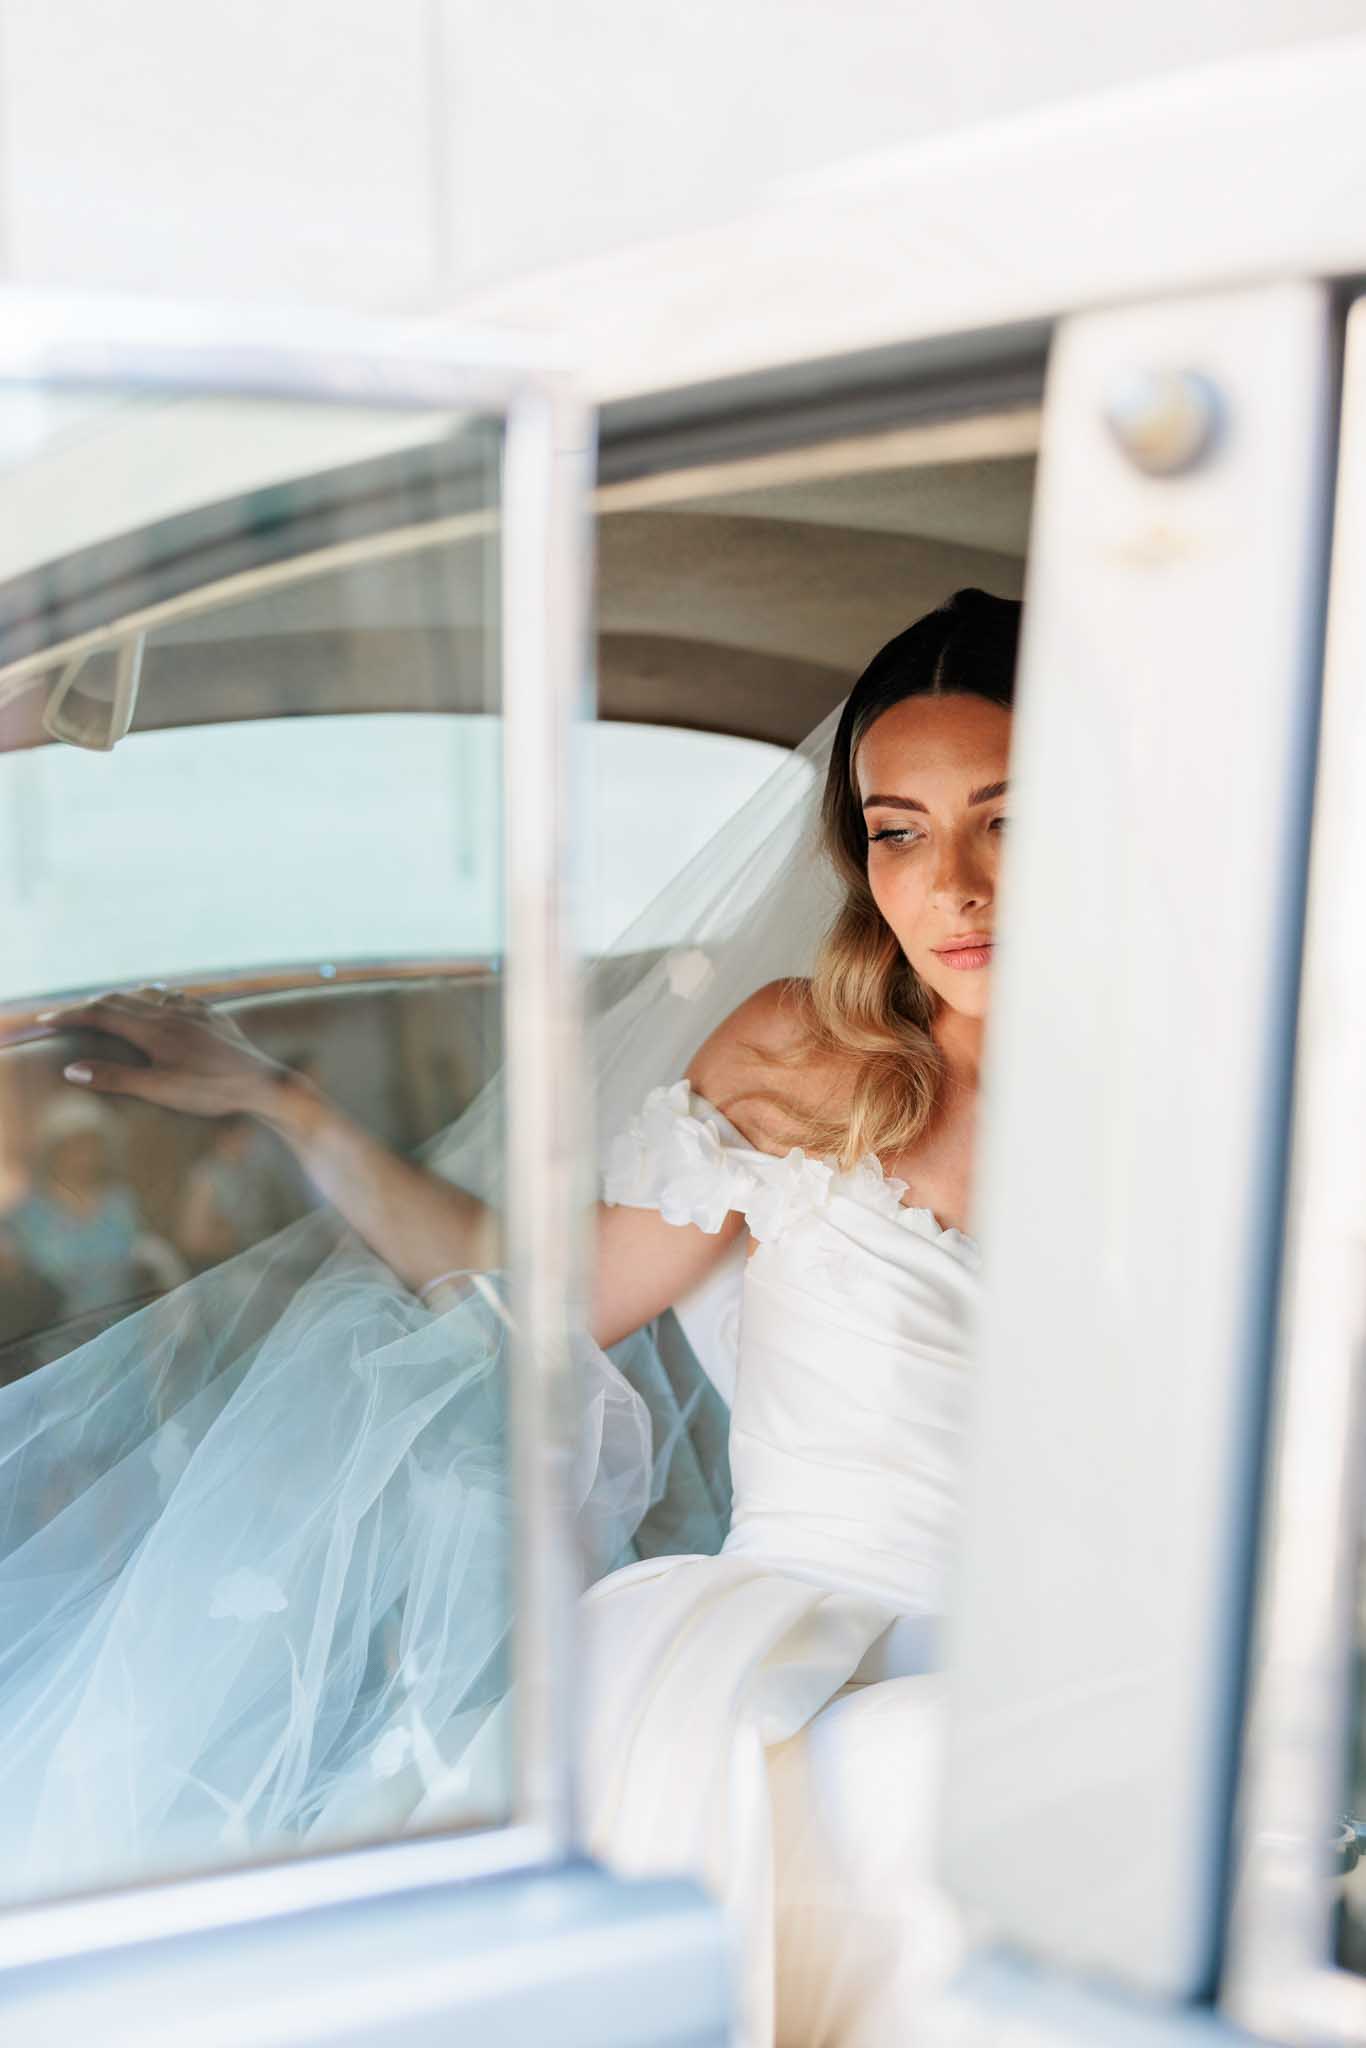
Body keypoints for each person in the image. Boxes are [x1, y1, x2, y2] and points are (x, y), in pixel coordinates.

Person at [4, 587, 1017, 2047]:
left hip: (1090, 1659)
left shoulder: (1217, 1092)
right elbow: (538, 1305)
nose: (953, 886)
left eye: (1006, 819)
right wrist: (284, 1103)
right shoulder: (798, 1059)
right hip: (800, 1649)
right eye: (898, 832)